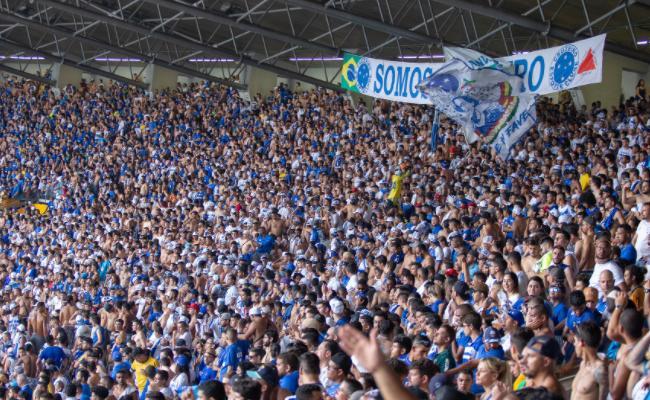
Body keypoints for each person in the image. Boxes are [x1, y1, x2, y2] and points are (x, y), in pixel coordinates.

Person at [571, 321, 608, 400]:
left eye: (575, 341)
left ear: (581, 343)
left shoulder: (600, 369)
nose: (574, 344)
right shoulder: (583, 364)